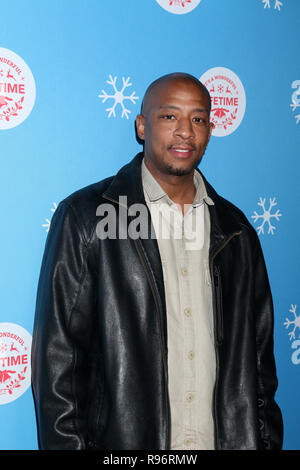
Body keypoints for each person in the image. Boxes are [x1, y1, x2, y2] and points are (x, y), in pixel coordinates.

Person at [31, 72, 283, 450]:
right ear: (142, 126)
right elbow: (57, 365)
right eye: (169, 117)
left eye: (197, 119)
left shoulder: (236, 233)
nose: (185, 131)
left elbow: (260, 369)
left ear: (210, 130)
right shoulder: (89, 219)